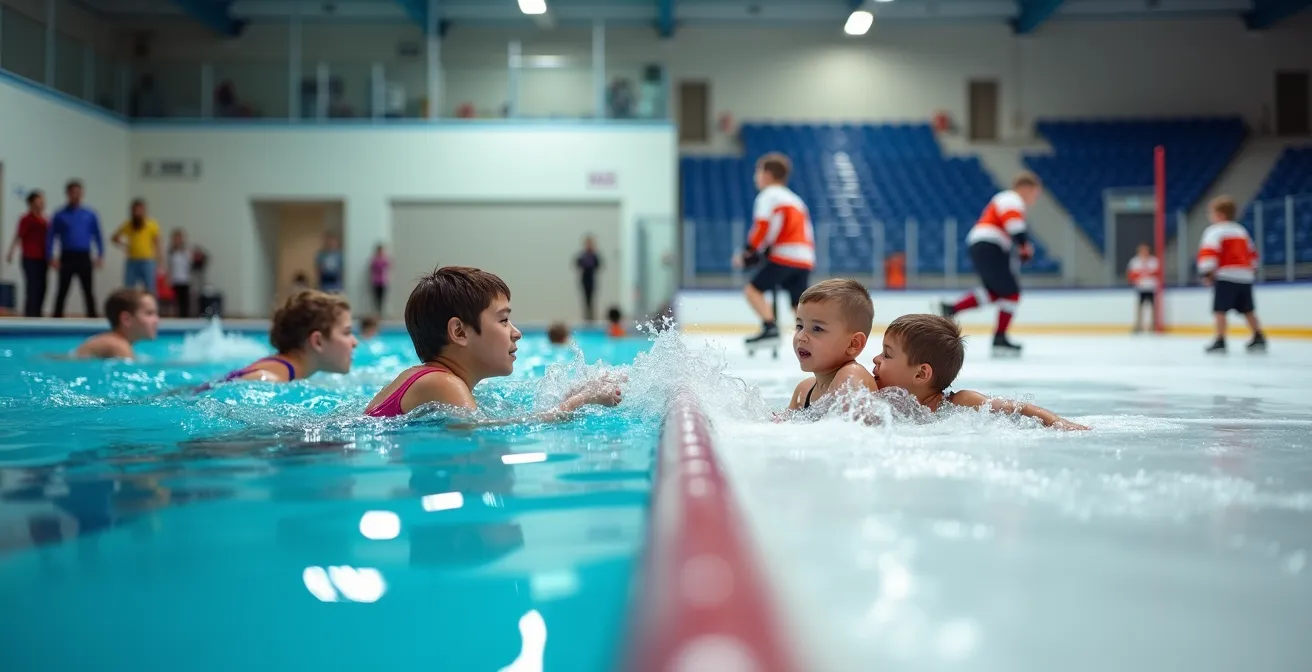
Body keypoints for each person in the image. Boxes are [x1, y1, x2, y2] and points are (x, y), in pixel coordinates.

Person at [364, 266, 621, 419]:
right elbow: (487, 432)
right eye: (504, 320)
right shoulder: (444, 383)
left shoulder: (431, 379)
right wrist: (581, 401)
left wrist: (570, 396)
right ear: (460, 332)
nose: (516, 332)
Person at [871, 314, 1087, 430]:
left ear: (921, 374)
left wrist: (1060, 423)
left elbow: (1018, 408)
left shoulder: (958, 403)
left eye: (887, 355)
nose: (875, 359)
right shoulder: (878, 399)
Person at [939, 172, 1043, 356]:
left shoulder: (1007, 200)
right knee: (1011, 292)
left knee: (995, 292)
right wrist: (1024, 246)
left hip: (984, 245)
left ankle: (952, 309)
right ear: (1025, 188)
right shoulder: (1011, 198)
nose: (1034, 198)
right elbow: (1014, 225)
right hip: (989, 244)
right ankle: (1000, 339)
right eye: (1034, 193)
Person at [731, 152, 815, 348]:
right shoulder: (796, 200)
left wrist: (748, 252)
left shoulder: (768, 195)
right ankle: (813, 339)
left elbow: (762, 226)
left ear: (767, 174)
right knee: (798, 304)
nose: (755, 177)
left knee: (753, 290)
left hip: (785, 255)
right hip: (805, 258)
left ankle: (770, 328)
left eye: (758, 172)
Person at [218, 290, 357, 383]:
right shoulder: (268, 379)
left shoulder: (288, 373)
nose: (355, 342)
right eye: (346, 332)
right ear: (318, 341)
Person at [786, 279, 878, 411]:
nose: (801, 337)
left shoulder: (851, 376)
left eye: (817, 329)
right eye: (799, 326)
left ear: (854, 344)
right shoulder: (804, 390)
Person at [1197, 196, 1265, 354]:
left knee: (1220, 309)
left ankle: (1220, 339)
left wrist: (1207, 272)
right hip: (1245, 275)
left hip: (1226, 275)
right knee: (1248, 309)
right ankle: (1258, 335)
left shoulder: (1215, 231)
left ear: (1219, 214)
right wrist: (1251, 269)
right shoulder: (1241, 231)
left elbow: (1209, 252)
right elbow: (1252, 254)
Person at [48, 180, 104, 318]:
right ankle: (56, 320)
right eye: (73, 192)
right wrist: (50, 256)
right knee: (62, 290)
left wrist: (100, 254)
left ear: (82, 194)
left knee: (88, 290)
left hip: (84, 256)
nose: (75, 195)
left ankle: (92, 319)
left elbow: (98, 235)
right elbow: (50, 236)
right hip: (67, 256)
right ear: (67, 194)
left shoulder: (90, 214)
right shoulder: (60, 214)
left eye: (78, 192)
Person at [71, 288, 159, 359]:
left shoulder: (112, 341)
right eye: (149, 313)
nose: (157, 320)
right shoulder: (119, 346)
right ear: (126, 319)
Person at [6, 190, 48, 317]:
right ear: (31, 203)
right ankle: (30, 315)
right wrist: (11, 252)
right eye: (39, 200)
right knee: (32, 288)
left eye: (42, 201)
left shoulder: (45, 220)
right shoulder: (26, 219)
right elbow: (18, 235)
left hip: (43, 258)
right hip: (30, 258)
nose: (42, 203)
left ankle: (38, 314)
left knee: (42, 288)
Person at [112, 198, 162, 292]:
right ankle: (130, 306)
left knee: (150, 288)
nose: (137, 212)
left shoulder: (152, 224)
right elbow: (114, 237)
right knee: (129, 289)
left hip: (148, 261)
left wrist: (160, 261)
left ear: (144, 210)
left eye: (140, 210)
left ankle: (150, 306)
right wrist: (125, 245)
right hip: (132, 261)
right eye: (135, 210)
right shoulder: (129, 224)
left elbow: (157, 243)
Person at [1126, 242, 1160, 333]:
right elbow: (1131, 275)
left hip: (1151, 288)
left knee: (1153, 308)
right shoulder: (1135, 261)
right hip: (1141, 288)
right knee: (1140, 308)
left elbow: (1157, 273)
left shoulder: (1154, 261)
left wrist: (1145, 273)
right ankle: (1139, 325)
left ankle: (1153, 326)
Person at [167, 229, 193, 317]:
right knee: (176, 302)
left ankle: (185, 317)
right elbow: (170, 266)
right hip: (175, 279)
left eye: (179, 239)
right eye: (175, 239)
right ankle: (177, 317)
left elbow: (190, 264)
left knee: (185, 301)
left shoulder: (186, 251)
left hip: (185, 279)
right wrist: (169, 278)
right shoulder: (171, 252)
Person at [575, 236, 601, 322]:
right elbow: (577, 264)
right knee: (585, 298)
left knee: (591, 298)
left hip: (591, 279)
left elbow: (598, 265)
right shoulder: (583, 255)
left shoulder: (594, 255)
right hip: (584, 279)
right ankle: (586, 317)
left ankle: (591, 317)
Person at [370, 243, 391, 316]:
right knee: (377, 298)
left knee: (382, 298)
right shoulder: (374, 260)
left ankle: (381, 313)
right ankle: (377, 313)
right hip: (376, 282)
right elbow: (372, 269)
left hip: (383, 281)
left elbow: (389, 267)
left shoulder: (385, 260)